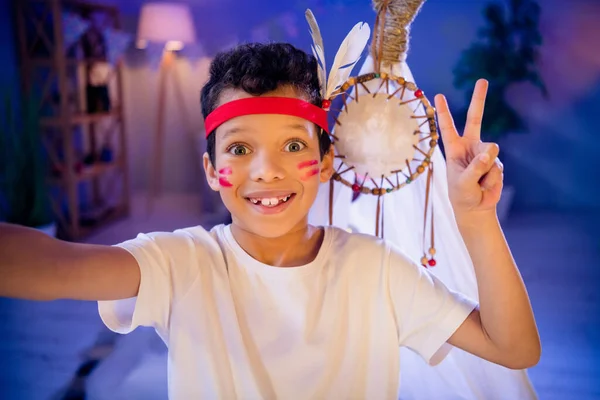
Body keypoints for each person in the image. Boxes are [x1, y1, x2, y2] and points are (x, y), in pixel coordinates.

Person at [0, 43, 540, 399]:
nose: (267, 170)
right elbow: (51, 267)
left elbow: (514, 349)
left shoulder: (376, 270)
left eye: (291, 145)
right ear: (212, 170)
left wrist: (476, 222)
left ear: (326, 162)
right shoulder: (181, 264)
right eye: (239, 147)